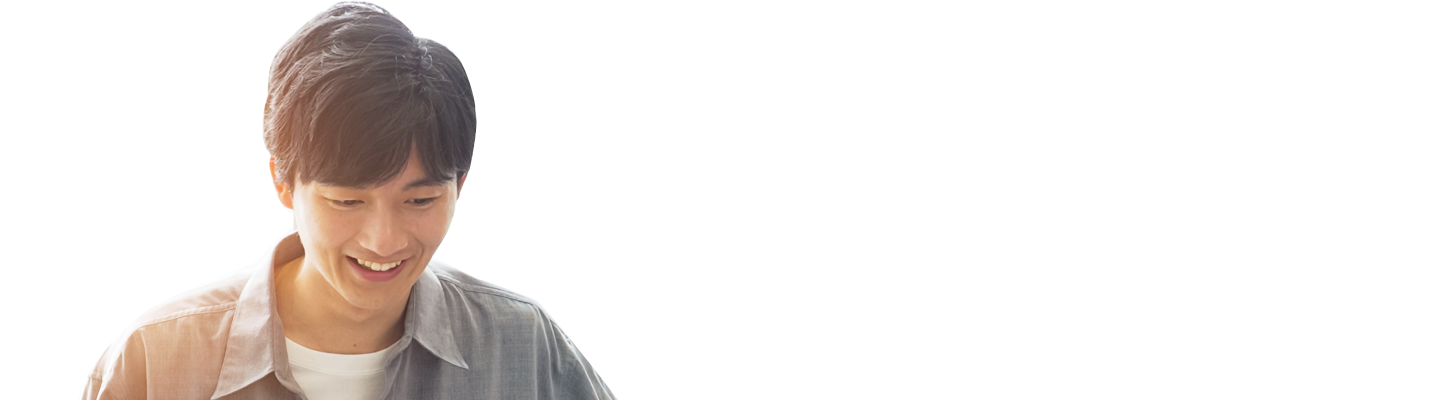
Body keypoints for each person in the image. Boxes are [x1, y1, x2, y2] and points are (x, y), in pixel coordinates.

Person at [80, 2, 614, 399]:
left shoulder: (521, 342)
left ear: (460, 186)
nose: (384, 240)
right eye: (347, 202)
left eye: (420, 200)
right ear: (282, 182)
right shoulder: (154, 359)